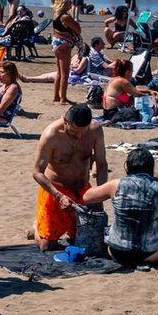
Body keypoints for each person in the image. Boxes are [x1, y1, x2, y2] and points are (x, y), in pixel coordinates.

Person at [81, 148, 158, 265]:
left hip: (117, 253)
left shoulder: (116, 184)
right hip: (151, 254)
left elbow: (87, 197)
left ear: (127, 167)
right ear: (151, 168)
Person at [31, 104, 108, 252]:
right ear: (65, 120)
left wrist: (100, 192)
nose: (78, 136)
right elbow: (37, 172)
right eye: (73, 132)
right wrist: (59, 196)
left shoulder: (95, 130)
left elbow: (102, 163)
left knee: (84, 242)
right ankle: (36, 227)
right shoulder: (51, 135)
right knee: (47, 247)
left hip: (83, 189)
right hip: (56, 191)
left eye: (82, 132)